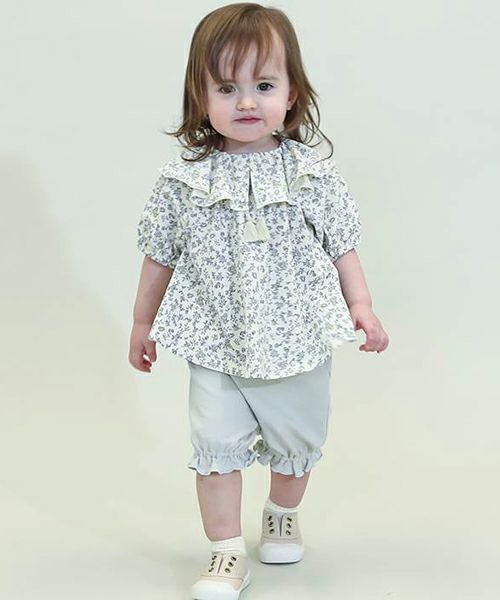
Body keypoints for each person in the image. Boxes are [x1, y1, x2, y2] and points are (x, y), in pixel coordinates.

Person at [129, 3, 389, 599]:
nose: (247, 102)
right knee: (215, 446)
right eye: (227, 88)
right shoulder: (184, 182)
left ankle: (282, 513)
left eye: (264, 86)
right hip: (216, 337)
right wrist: (143, 322)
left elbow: (342, 245)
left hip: (297, 336)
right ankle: (225, 550)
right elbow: (158, 255)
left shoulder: (311, 174)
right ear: (201, 98)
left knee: (297, 442)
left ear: (292, 93)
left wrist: (362, 306)